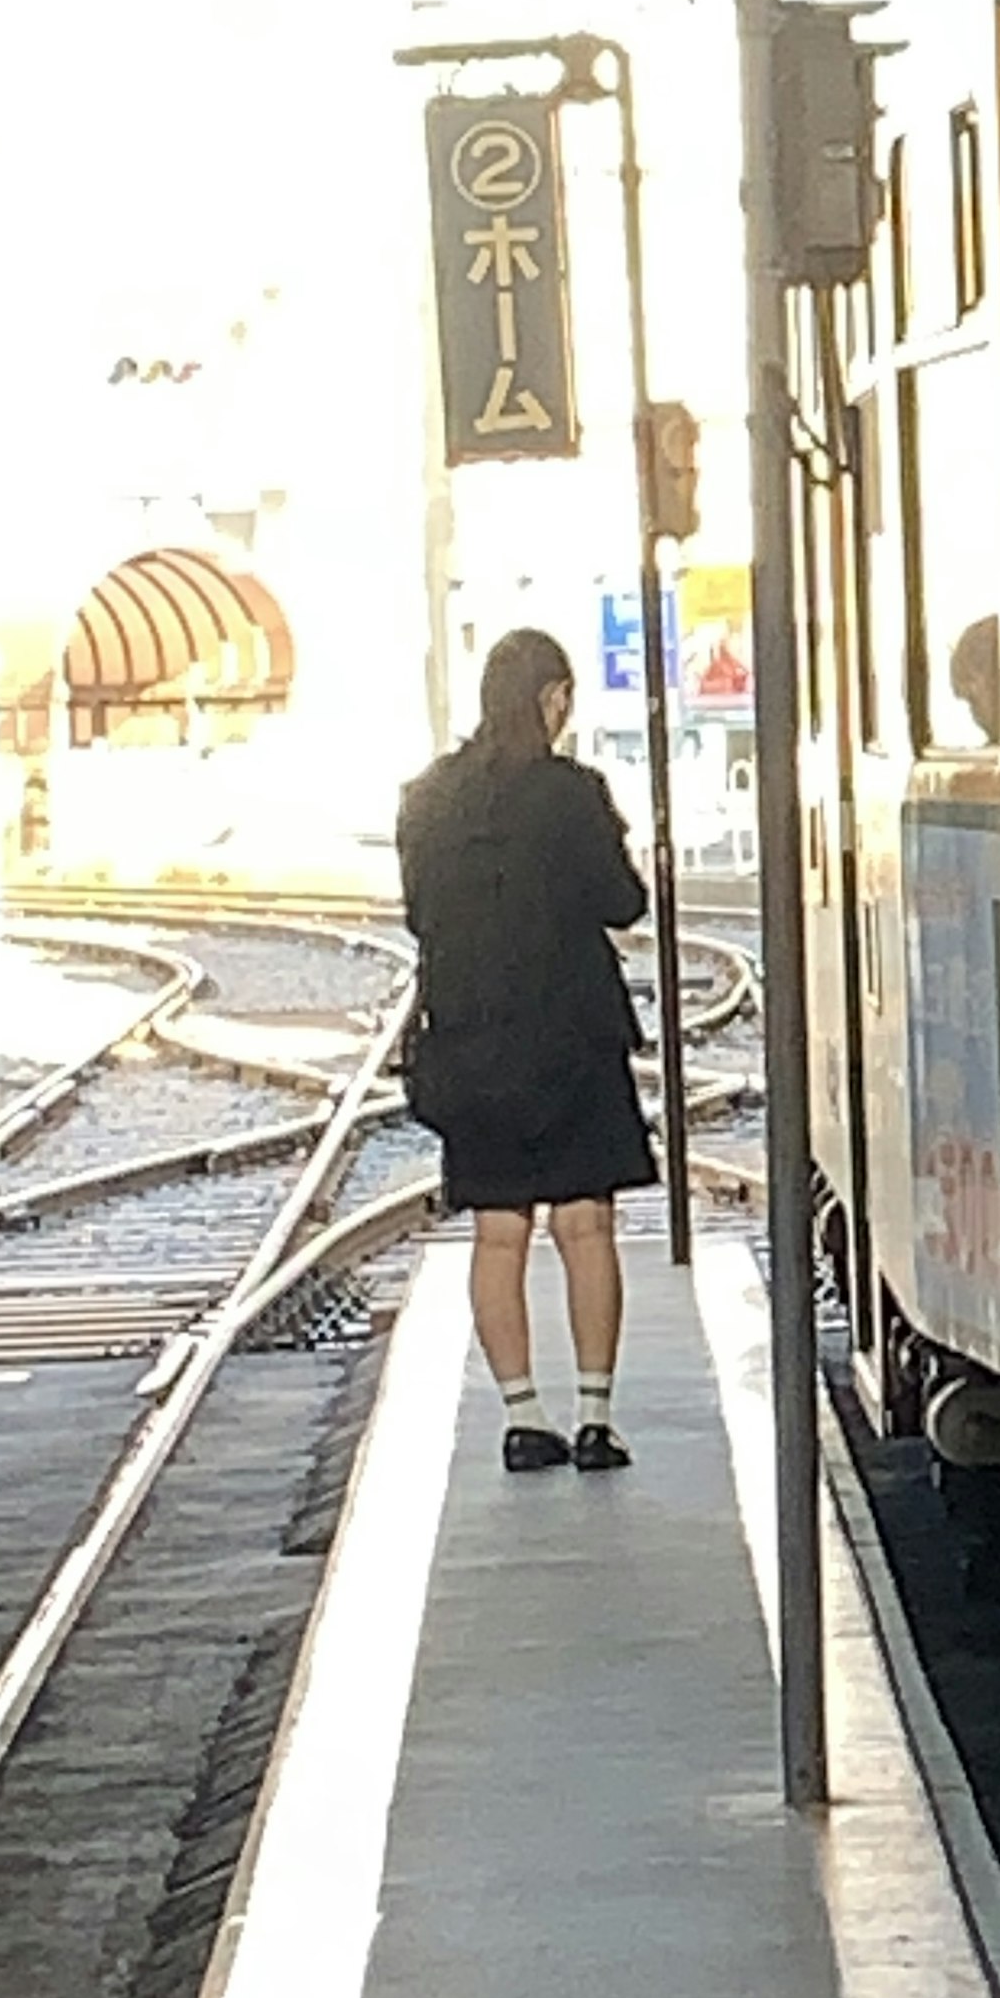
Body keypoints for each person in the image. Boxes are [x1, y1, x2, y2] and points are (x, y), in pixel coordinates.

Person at [397, 626, 655, 1475]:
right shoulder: (571, 793)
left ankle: (521, 1417)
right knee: (585, 1226)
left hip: (472, 1039)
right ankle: (593, 1418)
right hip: (571, 1036)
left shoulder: (427, 798)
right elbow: (622, 904)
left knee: (499, 1233)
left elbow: (419, 917)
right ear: (551, 698)